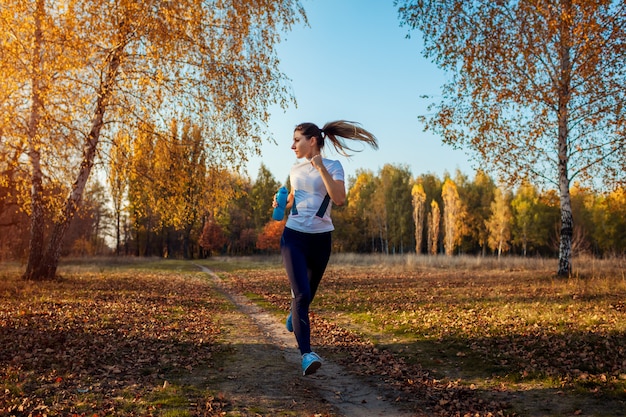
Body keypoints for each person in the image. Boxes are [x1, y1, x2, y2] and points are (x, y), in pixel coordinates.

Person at [274, 120, 378, 375]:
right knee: (301, 296)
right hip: (294, 237)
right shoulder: (295, 169)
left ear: (312, 141)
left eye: (296, 140)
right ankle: (307, 355)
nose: (292, 145)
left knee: (306, 296)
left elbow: (339, 198)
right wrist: (280, 203)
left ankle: (295, 315)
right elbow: (293, 200)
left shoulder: (333, 166)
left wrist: (320, 168)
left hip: (321, 240)